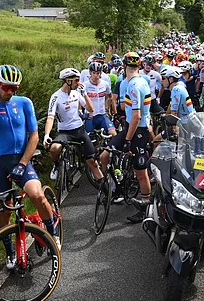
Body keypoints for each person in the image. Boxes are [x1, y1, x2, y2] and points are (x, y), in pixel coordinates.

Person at [0, 65, 60, 269]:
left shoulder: (24, 103)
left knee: (37, 195)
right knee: (5, 211)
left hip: (22, 160)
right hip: (0, 163)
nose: (11, 92)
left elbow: (34, 136)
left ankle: (52, 235)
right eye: (7, 87)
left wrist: (22, 164)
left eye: (15, 88)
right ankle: (10, 253)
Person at [99, 52, 153, 223]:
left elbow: (137, 116)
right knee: (105, 155)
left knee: (140, 172)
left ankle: (146, 208)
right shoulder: (142, 81)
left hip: (138, 130)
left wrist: (128, 140)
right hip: (132, 127)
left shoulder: (133, 85)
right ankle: (114, 187)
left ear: (123, 66)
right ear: (139, 66)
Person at [44, 68, 105, 185]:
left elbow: (91, 109)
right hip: (65, 132)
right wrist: (47, 135)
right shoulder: (56, 96)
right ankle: (56, 165)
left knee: (93, 163)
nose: (79, 83)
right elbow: (50, 117)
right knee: (54, 148)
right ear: (68, 81)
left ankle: (104, 188)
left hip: (79, 130)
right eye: (76, 80)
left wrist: (85, 94)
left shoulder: (76, 93)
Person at [84, 62, 118, 137]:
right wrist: (81, 112)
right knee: (91, 138)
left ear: (101, 73)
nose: (96, 76)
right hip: (90, 116)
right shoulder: (85, 85)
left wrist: (106, 108)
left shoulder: (105, 84)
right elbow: (80, 100)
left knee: (114, 134)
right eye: (94, 73)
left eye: (98, 73)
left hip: (102, 115)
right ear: (90, 73)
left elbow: (110, 96)